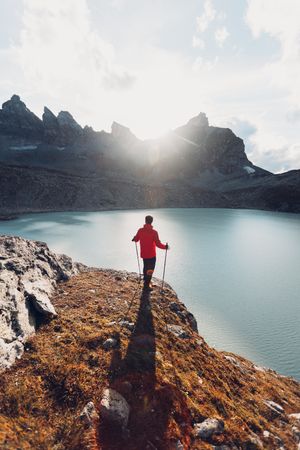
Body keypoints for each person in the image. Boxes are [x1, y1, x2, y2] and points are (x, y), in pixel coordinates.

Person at [132, 215, 169, 291]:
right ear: (151, 222)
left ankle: (146, 282)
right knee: (150, 269)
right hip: (151, 255)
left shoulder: (140, 230)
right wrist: (165, 247)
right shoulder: (154, 232)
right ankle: (146, 285)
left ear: (145, 221)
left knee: (145, 267)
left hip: (144, 254)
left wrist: (134, 239)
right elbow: (158, 244)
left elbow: (136, 239)